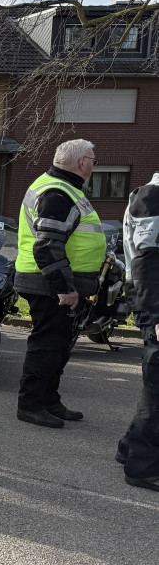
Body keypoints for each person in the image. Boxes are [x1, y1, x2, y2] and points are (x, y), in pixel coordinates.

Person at [14, 139, 106, 428]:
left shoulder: (63, 188)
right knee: (47, 346)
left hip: (55, 282)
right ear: (81, 162)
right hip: (50, 285)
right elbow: (47, 246)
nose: (93, 165)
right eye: (93, 160)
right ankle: (30, 405)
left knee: (58, 347)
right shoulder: (57, 192)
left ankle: (49, 401)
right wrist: (64, 288)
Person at [119, 171, 159, 490]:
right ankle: (142, 468)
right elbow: (148, 259)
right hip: (153, 300)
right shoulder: (153, 196)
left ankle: (129, 448)